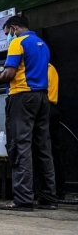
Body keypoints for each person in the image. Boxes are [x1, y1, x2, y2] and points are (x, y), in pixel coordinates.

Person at [0, 15, 58, 210]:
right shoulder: (42, 44)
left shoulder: (18, 42)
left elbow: (10, 73)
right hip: (42, 98)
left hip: (21, 97)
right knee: (43, 148)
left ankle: (23, 199)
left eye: (7, 33)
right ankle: (48, 198)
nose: (8, 37)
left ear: (13, 28)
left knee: (20, 145)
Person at [46, 64, 65, 199]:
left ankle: (50, 191)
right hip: (52, 109)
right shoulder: (51, 67)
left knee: (43, 152)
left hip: (45, 109)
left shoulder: (42, 67)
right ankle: (58, 190)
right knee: (53, 151)